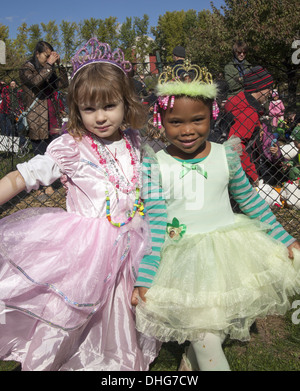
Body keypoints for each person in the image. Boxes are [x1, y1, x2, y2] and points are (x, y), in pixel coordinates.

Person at [0, 38, 160, 371]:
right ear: (77, 109)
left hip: (131, 246)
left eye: (109, 106)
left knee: (116, 312)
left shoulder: (134, 141)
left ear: (125, 103)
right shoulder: (71, 147)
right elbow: (22, 178)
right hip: (84, 251)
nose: (100, 117)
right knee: (69, 311)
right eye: (89, 109)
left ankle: (113, 363)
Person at [131, 61, 300, 372]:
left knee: (215, 325)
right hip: (183, 259)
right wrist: (147, 273)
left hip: (228, 254)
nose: (187, 130)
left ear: (212, 115)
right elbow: (156, 223)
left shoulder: (227, 156)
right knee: (205, 333)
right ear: (161, 120)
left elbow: (251, 202)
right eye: (175, 122)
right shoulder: (156, 164)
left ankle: (190, 361)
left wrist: (286, 238)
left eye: (198, 119)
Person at [19, 41, 68, 197]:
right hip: (37, 117)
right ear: (37, 54)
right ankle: (44, 185)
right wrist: (49, 65)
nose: (49, 58)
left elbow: (63, 84)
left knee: (55, 149)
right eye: (46, 55)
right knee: (40, 151)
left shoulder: (50, 69)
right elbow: (35, 82)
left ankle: (56, 179)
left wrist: (59, 67)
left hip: (53, 115)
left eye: (51, 55)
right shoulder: (27, 68)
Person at [224, 65, 274, 186]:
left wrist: (258, 125)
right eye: (269, 88)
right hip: (239, 172)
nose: (270, 92)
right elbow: (235, 144)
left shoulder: (239, 101)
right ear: (260, 88)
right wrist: (253, 175)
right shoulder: (249, 112)